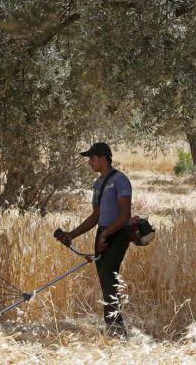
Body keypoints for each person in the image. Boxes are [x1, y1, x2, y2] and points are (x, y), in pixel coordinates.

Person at [55, 142, 132, 337]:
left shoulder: (121, 181)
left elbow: (124, 216)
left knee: (108, 279)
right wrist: (71, 235)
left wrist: (105, 236)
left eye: (92, 158)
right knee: (106, 282)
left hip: (117, 234)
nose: (89, 162)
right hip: (102, 234)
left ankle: (117, 330)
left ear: (103, 159)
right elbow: (95, 216)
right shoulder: (98, 184)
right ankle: (114, 328)